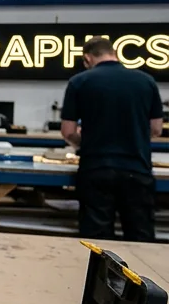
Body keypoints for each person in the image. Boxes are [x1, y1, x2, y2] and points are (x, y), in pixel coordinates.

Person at [61, 37, 164, 241]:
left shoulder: (79, 82)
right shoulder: (146, 81)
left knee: (97, 240)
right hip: (137, 169)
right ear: (114, 53)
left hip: (96, 168)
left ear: (87, 58)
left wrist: (87, 142)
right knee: (141, 238)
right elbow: (156, 128)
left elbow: (68, 131)